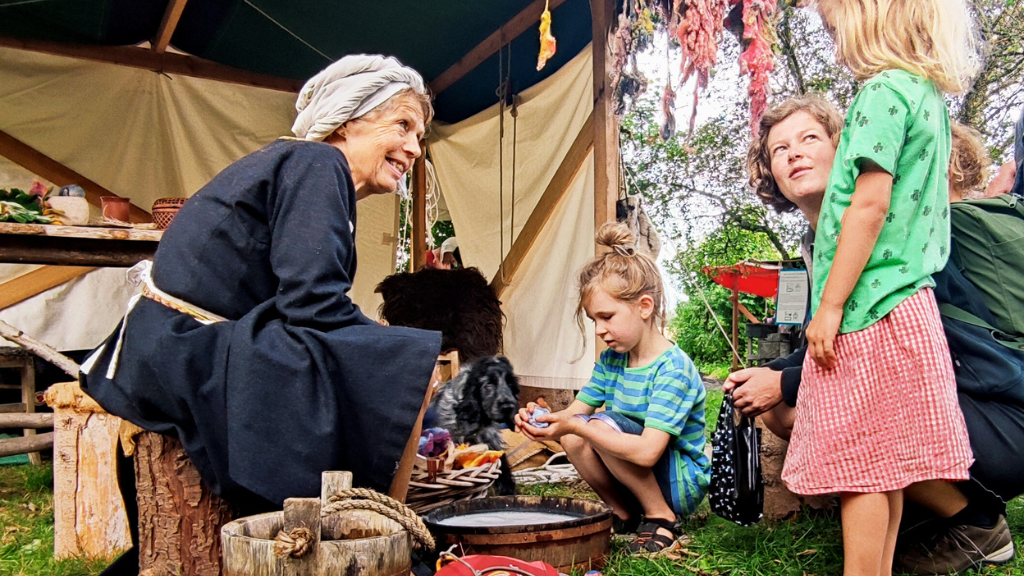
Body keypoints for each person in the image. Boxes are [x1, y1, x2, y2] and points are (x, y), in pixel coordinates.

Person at [80, 55, 443, 514]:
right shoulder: (317, 162)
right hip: (187, 349)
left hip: (174, 344)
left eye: (419, 136)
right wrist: (388, 347)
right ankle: (387, 526)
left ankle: (360, 514)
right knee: (412, 365)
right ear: (346, 122)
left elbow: (305, 302)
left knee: (384, 358)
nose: (414, 148)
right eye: (403, 126)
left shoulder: (301, 164)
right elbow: (313, 303)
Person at [736, 92, 1024, 574]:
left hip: (999, 413)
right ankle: (914, 517)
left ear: (847, 147)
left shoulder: (893, 230)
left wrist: (785, 380)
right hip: (953, 404)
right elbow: (827, 341)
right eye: (779, 149)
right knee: (784, 406)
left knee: (855, 412)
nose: (794, 154)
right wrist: (770, 374)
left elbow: (899, 346)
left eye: (810, 138)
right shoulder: (821, 243)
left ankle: (974, 522)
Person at [773, 1, 981, 573]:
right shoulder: (924, 96)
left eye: (832, 23)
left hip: (869, 309)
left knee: (860, 467)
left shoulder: (880, 93)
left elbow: (869, 205)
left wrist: (830, 305)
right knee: (884, 462)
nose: (834, 39)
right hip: (907, 305)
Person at [515, 222, 710, 554]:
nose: (600, 330)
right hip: (637, 472)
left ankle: (662, 516)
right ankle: (624, 513)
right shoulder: (612, 360)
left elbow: (648, 452)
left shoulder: (672, 369)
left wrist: (579, 426)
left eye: (607, 317)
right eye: (594, 320)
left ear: (644, 307)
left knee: (597, 427)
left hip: (679, 481)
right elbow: (574, 417)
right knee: (577, 434)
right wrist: (546, 419)